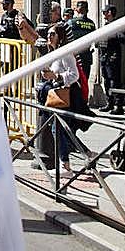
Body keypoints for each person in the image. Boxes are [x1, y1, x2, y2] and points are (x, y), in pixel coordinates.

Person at [35, 22, 87, 176]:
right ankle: (85, 154)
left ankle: (66, 167)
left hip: (65, 98)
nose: (49, 37)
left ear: (60, 36)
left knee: (58, 130)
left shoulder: (65, 53)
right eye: (49, 34)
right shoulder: (55, 52)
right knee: (63, 131)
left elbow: (74, 75)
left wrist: (55, 76)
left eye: (53, 34)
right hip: (56, 95)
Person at [97, 4, 125, 114]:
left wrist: (113, 34)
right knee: (106, 82)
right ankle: (109, 103)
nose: (103, 14)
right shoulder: (105, 25)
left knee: (115, 82)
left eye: (105, 12)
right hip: (104, 58)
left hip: (112, 59)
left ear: (110, 13)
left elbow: (123, 38)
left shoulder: (117, 25)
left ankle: (118, 106)